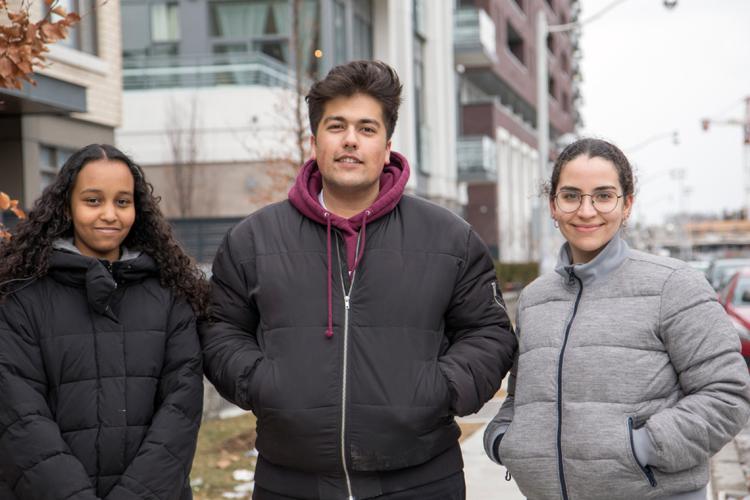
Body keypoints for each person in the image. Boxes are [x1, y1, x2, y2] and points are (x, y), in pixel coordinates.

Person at [199, 60, 516, 499]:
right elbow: (221, 331)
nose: (350, 140)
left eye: (367, 129)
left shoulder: (449, 238)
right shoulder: (253, 240)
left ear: (387, 146)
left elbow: (489, 333)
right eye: (337, 126)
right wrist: (265, 384)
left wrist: (439, 391)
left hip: (422, 478)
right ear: (314, 142)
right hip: (290, 480)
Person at [484, 137, 750, 500]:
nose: (587, 210)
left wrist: (641, 448)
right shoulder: (535, 299)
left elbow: (727, 394)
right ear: (553, 205)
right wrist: (503, 439)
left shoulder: (674, 285)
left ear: (627, 205)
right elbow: (521, 398)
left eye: (604, 195)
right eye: (572, 195)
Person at [0, 144, 206, 499]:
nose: (110, 214)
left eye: (122, 202)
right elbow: (20, 416)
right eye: (93, 200)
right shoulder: (21, 297)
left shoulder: (171, 295)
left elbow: (180, 412)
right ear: (67, 205)